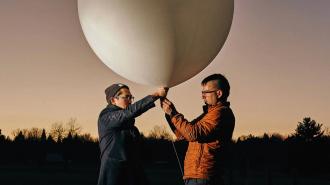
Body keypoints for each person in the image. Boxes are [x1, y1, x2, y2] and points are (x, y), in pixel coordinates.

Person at [161, 74, 235, 185]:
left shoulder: (220, 113)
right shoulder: (208, 115)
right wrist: (169, 115)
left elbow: (192, 134)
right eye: (202, 93)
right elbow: (183, 135)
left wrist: (173, 113)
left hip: (204, 177)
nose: (202, 96)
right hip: (196, 177)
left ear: (219, 93)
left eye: (206, 92)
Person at [97, 83, 167, 185]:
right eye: (127, 97)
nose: (130, 101)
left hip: (133, 173)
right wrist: (156, 95)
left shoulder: (131, 126)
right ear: (113, 100)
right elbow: (128, 113)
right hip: (114, 174)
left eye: (131, 97)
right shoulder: (106, 116)